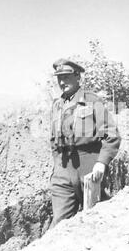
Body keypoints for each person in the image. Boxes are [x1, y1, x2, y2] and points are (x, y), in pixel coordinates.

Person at [49, 58, 121, 228]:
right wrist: (57, 166)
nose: (61, 82)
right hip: (63, 170)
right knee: (60, 224)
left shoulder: (92, 100)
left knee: (96, 218)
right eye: (59, 78)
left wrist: (101, 163)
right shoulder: (56, 106)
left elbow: (112, 134)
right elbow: (53, 140)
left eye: (66, 77)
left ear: (77, 77)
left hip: (89, 166)